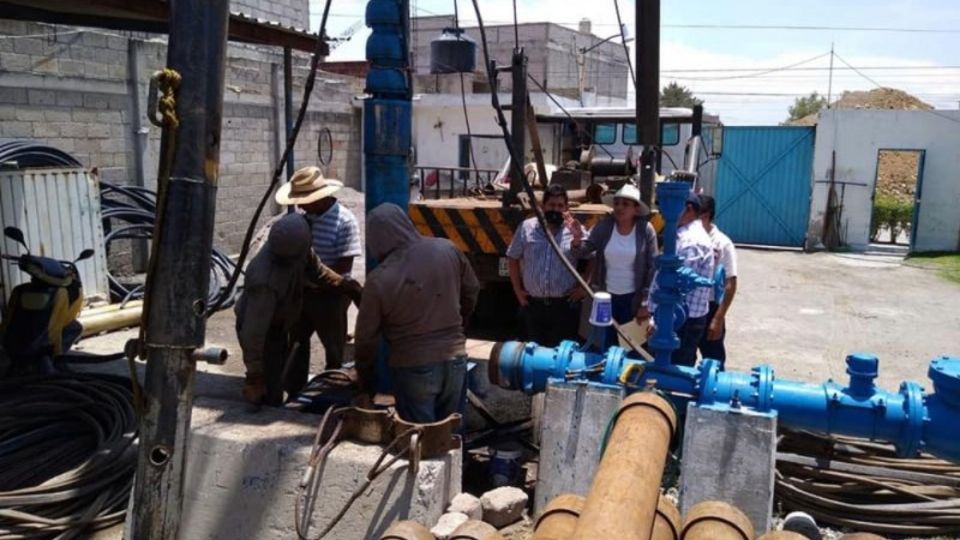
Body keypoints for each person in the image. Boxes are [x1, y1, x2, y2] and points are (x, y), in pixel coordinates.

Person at [354, 203, 480, 423]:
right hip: (455, 358)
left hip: (413, 366)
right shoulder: (447, 248)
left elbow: (365, 340)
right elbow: (472, 290)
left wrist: (366, 381)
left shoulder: (378, 279)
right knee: (451, 436)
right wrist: (459, 326)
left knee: (420, 440)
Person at [235, 214, 361, 406]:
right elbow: (253, 336)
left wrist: (346, 285)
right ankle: (270, 403)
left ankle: (283, 394)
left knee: (281, 368)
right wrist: (254, 377)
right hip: (264, 329)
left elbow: (318, 271)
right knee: (270, 385)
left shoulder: (298, 246)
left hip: (279, 319)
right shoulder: (265, 281)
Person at [274, 166, 361, 393]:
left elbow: (343, 267)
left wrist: (312, 275)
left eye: (304, 200)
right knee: (296, 343)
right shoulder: (301, 221)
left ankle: (331, 394)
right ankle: (294, 390)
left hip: (331, 297)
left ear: (320, 197)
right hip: (302, 295)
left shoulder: (345, 221)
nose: (300, 205)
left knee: (334, 350)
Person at [571, 183, 658, 344]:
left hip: (633, 299)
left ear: (636, 209)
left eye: (625, 204)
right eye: (617, 203)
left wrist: (646, 302)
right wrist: (577, 240)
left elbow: (653, 268)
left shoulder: (646, 230)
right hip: (606, 298)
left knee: (631, 346)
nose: (619, 208)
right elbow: (583, 251)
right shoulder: (604, 227)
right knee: (606, 343)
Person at [506, 184, 588, 347]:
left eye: (560, 206)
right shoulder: (526, 228)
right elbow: (512, 257)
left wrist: (584, 287)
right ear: (543, 206)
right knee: (530, 356)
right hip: (532, 306)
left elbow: (593, 258)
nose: (555, 210)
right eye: (551, 205)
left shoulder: (576, 230)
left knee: (561, 357)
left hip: (564, 307)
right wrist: (517, 290)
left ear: (566, 208)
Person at [641, 192, 715, 367]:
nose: (661, 213)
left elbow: (676, 287)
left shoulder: (691, 241)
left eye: (665, 207)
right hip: (679, 319)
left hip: (680, 322)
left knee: (671, 371)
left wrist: (659, 320)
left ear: (687, 209)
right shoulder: (683, 236)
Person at [697, 195, 738, 367]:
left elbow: (731, 283)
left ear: (706, 216)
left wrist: (718, 318)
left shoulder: (723, 244)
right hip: (689, 309)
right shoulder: (685, 238)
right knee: (682, 359)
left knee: (713, 362)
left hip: (710, 308)